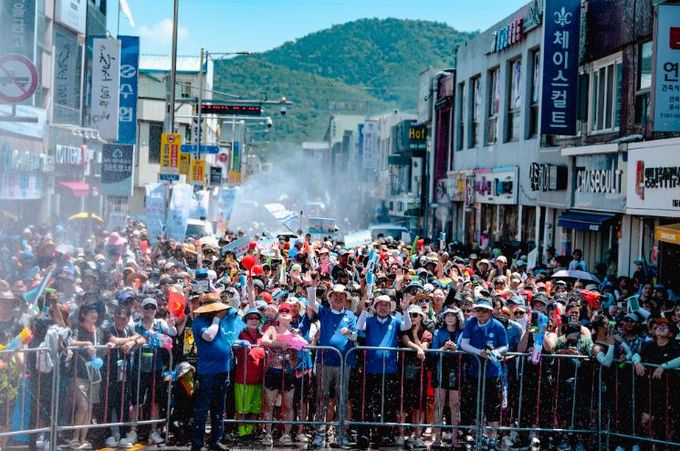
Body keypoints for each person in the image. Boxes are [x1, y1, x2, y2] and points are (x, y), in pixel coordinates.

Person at [306, 276, 358, 449]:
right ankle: (320, 434)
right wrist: (313, 286)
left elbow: (355, 337)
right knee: (322, 398)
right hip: (324, 362)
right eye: (335, 295)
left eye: (341, 295)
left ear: (346, 299)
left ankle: (340, 435)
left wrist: (348, 333)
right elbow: (311, 304)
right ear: (329, 297)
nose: (338, 298)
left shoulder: (350, 315)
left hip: (344, 363)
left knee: (342, 399)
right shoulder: (324, 311)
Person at [355, 294, 412, 449]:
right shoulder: (369, 320)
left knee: (388, 404)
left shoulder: (395, 321)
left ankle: (386, 434)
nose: (383, 307)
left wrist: (405, 310)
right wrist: (364, 310)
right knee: (368, 404)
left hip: (390, 370)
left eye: (386, 305)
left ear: (390, 308)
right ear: (375, 307)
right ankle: (365, 434)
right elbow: (359, 327)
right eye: (380, 304)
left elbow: (407, 326)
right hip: (370, 370)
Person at [190, 292, 238, 451]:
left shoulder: (221, 319)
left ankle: (215, 441)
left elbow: (234, 311)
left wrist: (225, 304)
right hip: (207, 371)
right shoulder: (199, 322)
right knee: (203, 408)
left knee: (219, 408)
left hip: (223, 369)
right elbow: (209, 336)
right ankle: (197, 443)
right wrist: (217, 319)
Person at [460, 298, 508, 450]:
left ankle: (492, 439)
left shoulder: (498, 326)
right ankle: (479, 437)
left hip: (493, 374)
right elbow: (463, 344)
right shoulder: (471, 323)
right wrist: (479, 352)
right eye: (478, 310)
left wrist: (495, 353)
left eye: (484, 310)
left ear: (490, 312)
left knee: (493, 408)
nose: (481, 313)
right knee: (475, 406)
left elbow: (505, 346)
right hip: (474, 373)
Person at [260, 302, 307, 446]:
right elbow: (264, 340)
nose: (285, 313)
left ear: (291, 316)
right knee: (269, 404)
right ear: (278, 315)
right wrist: (279, 344)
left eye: (288, 311)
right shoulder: (272, 329)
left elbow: (304, 344)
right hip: (273, 370)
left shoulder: (295, 331)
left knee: (288, 405)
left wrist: (294, 341)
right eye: (282, 311)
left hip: (289, 372)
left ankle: (286, 434)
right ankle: (268, 434)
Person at [430, 305, 464, 448]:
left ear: (457, 317)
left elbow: (465, 351)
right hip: (440, 369)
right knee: (439, 404)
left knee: (455, 405)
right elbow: (433, 352)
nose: (450, 317)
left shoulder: (462, 332)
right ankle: (437, 438)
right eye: (447, 315)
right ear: (443, 318)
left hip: (456, 371)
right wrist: (443, 348)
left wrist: (457, 349)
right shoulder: (438, 332)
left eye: (453, 315)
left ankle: (455, 439)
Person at [232, 307, 265, 440]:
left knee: (255, 408)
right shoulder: (239, 334)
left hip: (258, 379)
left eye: (256, 318)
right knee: (241, 408)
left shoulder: (263, 337)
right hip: (243, 378)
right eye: (250, 318)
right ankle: (242, 432)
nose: (253, 320)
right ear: (245, 320)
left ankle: (249, 431)